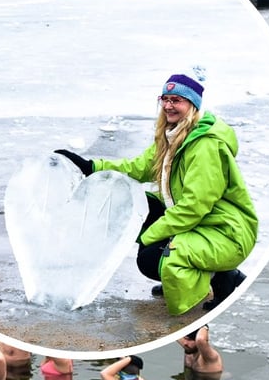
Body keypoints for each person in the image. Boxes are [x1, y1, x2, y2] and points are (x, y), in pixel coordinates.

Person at [55, 71, 258, 315]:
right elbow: (138, 168)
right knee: (138, 209)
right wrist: (91, 166)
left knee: (151, 259)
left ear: (192, 105)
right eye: (166, 99)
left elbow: (194, 207)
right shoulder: (173, 136)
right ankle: (186, 271)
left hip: (225, 231)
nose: (169, 106)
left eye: (177, 100)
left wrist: (150, 236)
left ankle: (223, 276)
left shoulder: (205, 147)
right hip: (202, 224)